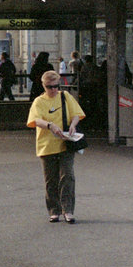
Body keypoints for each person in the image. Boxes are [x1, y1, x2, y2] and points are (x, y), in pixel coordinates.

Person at [27, 70, 86, 224]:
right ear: (43, 86)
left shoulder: (65, 96)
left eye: (56, 86)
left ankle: (68, 210)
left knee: (67, 176)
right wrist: (50, 125)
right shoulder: (39, 101)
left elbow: (76, 114)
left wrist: (73, 125)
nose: (53, 89)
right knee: (50, 179)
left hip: (65, 143)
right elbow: (35, 120)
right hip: (46, 145)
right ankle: (54, 210)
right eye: (49, 87)